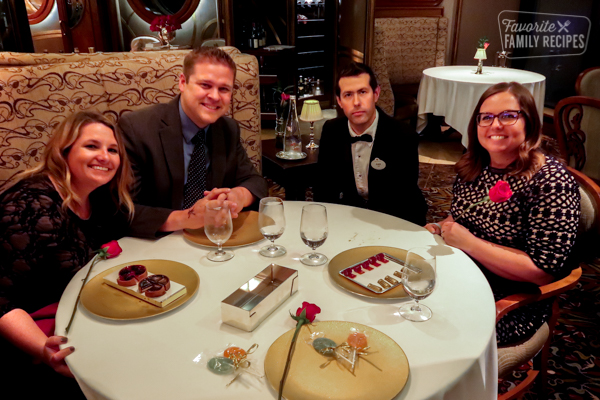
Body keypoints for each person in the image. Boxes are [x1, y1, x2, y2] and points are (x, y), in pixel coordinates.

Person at [425, 82, 580, 346]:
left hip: (510, 301)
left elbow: (542, 270)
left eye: (508, 116)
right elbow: (460, 217)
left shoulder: (550, 181)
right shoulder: (475, 165)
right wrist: (442, 226)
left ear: (529, 122)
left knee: (435, 335)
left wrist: (470, 243)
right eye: (486, 117)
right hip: (461, 275)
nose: (495, 125)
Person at [0, 111, 134, 395]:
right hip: (33, 347)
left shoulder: (95, 197)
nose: (105, 156)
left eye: (113, 150)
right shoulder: (31, 206)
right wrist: (43, 349)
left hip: (79, 319)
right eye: (91, 146)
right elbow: (2, 300)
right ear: (64, 151)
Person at [118, 47, 268, 238]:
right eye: (205, 85)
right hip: (157, 242)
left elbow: (255, 182)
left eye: (223, 89)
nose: (214, 96)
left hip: (213, 238)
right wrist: (189, 218)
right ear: (183, 82)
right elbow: (123, 210)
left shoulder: (228, 129)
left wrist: (237, 197)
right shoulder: (137, 129)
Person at [314, 63, 427, 225]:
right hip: (352, 214)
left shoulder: (403, 135)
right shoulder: (332, 130)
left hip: (398, 218)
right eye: (348, 95)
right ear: (339, 101)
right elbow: (324, 188)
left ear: (376, 94)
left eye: (362, 92)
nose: (356, 102)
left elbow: (403, 195)